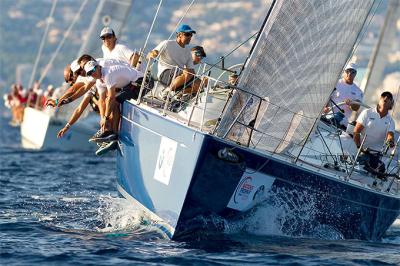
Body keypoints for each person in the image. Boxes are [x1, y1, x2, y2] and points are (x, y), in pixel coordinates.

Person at [84, 60, 143, 155]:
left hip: (141, 82)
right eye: (90, 73)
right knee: (109, 102)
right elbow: (101, 101)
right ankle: (109, 133)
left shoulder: (108, 73)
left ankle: (113, 135)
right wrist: (103, 118)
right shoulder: (99, 82)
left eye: (94, 69)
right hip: (129, 86)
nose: (93, 73)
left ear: (99, 67)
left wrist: (106, 117)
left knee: (114, 101)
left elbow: (111, 98)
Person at [148, 24, 200, 98]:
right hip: (165, 74)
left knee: (200, 83)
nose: (190, 37)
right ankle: (166, 91)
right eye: (187, 34)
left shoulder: (187, 53)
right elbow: (152, 53)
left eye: (191, 35)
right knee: (187, 73)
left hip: (180, 76)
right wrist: (153, 53)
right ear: (179, 35)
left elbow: (191, 71)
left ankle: (177, 94)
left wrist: (196, 80)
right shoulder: (167, 43)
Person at [353, 91, 396, 174]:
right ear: (379, 100)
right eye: (383, 96)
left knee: (381, 172)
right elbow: (356, 131)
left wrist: (390, 141)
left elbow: (390, 135)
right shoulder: (367, 112)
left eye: (389, 97)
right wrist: (359, 148)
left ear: (391, 105)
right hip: (359, 150)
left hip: (374, 155)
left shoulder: (391, 121)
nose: (386, 98)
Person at [323, 63, 363, 129]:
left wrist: (351, 104)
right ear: (344, 72)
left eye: (352, 72)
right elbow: (325, 100)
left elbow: (356, 108)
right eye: (347, 71)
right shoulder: (334, 84)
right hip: (327, 118)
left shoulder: (358, 91)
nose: (349, 74)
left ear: (355, 74)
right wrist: (324, 108)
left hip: (343, 124)